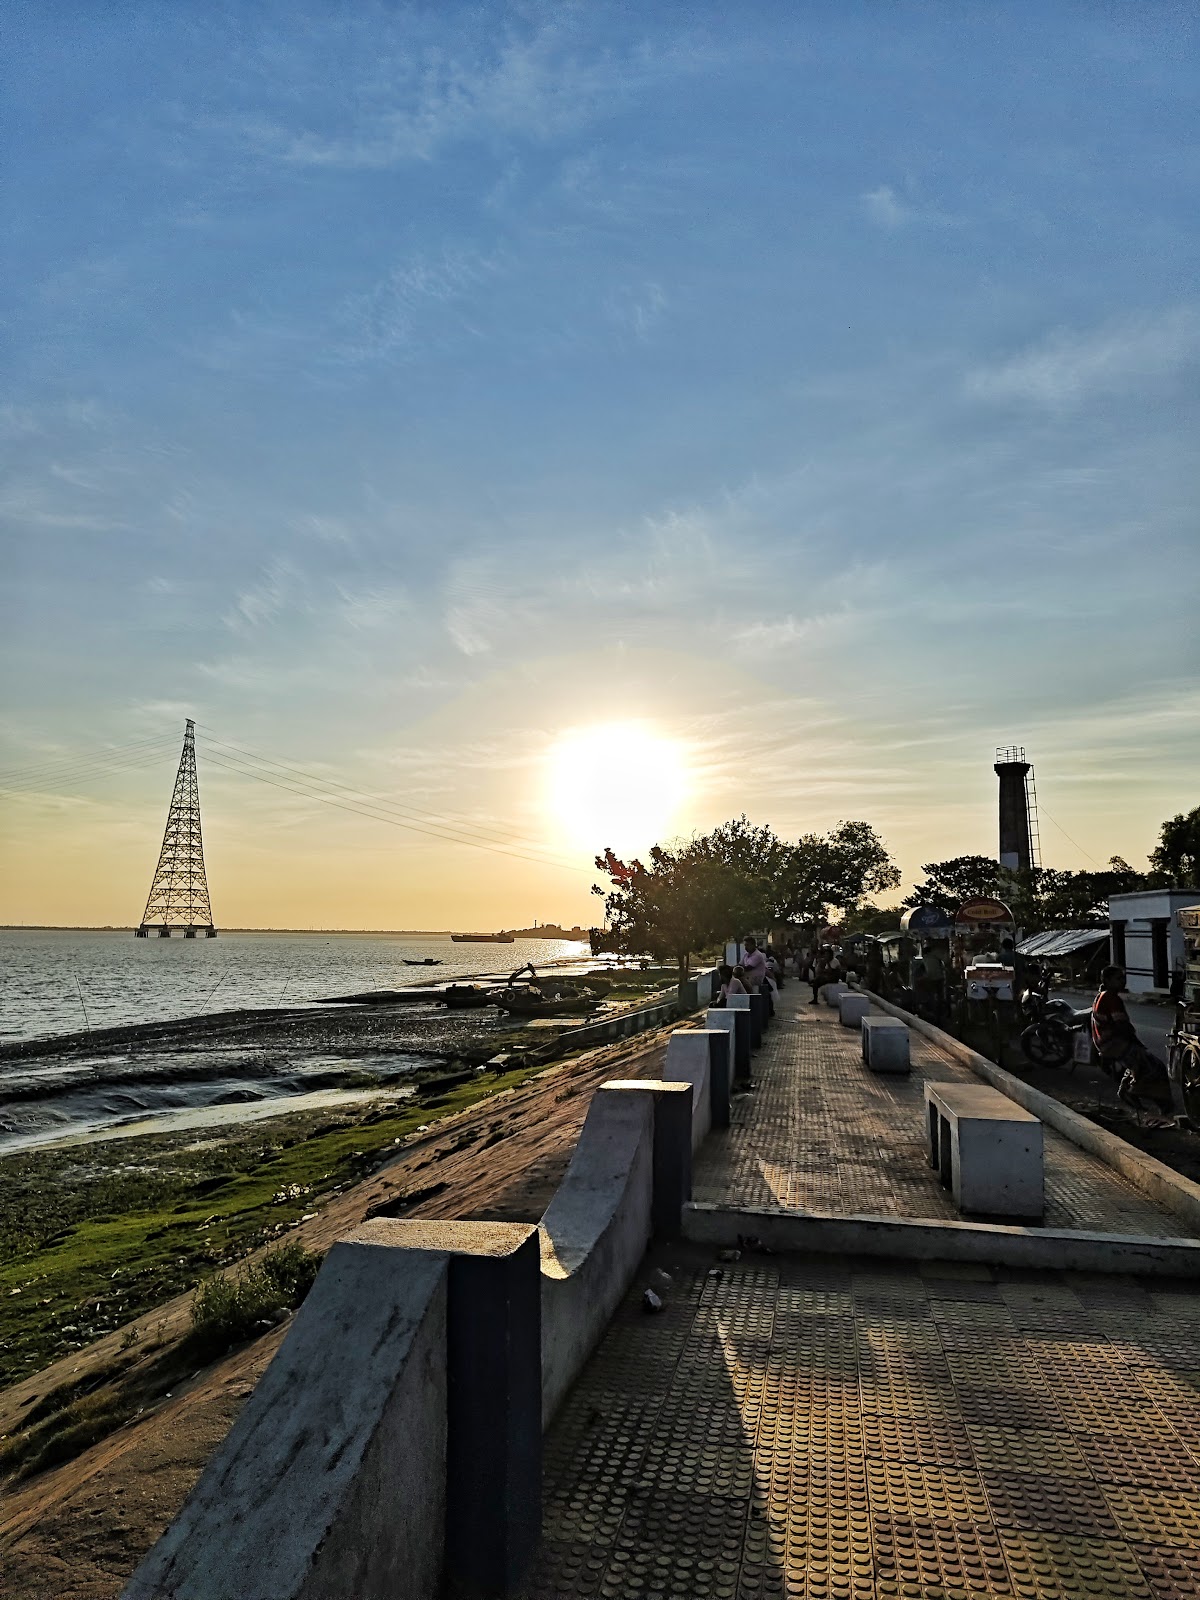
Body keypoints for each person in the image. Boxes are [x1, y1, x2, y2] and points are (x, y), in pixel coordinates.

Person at [1092, 965, 1171, 1120]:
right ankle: (1134, 1093)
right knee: (1155, 1067)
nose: (1122, 982)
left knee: (1141, 1063)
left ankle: (1130, 1090)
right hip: (1113, 1043)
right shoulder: (1110, 998)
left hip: (1109, 1043)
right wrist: (1136, 1043)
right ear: (1107, 981)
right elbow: (1122, 1026)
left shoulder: (1104, 995)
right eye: (1118, 979)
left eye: (1123, 978)